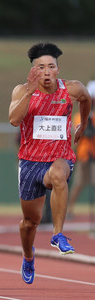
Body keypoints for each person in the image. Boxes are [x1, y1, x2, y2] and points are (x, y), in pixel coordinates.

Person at [9, 42, 91, 284]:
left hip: (60, 156)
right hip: (30, 162)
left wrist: (83, 125)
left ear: (58, 69)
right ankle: (28, 255)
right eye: (40, 67)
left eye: (50, 67)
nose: (46, 72)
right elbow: (14, 120)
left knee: (59, 175)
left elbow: (86, 99)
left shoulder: (71, 89)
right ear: (33, 71)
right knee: (29, 223)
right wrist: (28, 91)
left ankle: (58, 234)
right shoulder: (22, 90)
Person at [67, 79, 95, 218]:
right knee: (79, 184)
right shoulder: (80, 116)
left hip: (94, 156)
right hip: (84, 155)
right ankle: (70, 210)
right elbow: (82, 131)